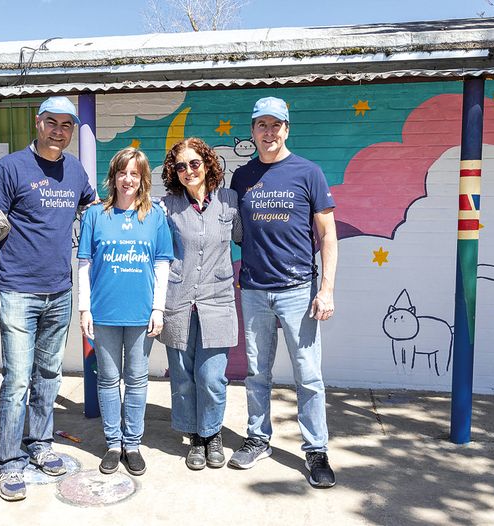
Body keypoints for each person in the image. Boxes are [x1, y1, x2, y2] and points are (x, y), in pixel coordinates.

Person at [0, 96, 96, 502]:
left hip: (59, 291)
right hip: (16, 292)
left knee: (49, 376)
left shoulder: (75, 170)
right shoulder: (10, 168)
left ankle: (40, 444)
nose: (59, 130)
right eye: (52, 122)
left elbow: (92, 211)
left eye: (66, 124)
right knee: (17, 379)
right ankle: (9, 460)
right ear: (38, 122)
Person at [229, 96, 338, 488]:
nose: (269, 132)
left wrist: (326, 288)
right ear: (253, 130)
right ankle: (259, 439)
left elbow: (327, 234)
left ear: (287, 129)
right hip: (255, 289)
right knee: (257, 372)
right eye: (262, 125)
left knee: (308, 376)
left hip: (298, 290)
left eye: (276, 125)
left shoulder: (308, 172)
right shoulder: (241, 178)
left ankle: (316, 451)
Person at [77, 147, 173, 476]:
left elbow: (162, 265)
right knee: (107, 379)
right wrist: (84, 308)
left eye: (134, 173)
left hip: (140, 313)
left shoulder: (155, 216)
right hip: (103, 313)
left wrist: (158, 308)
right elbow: (85, 265)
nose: (127, 179)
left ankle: (132, 444)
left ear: (143, 179)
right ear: (113, 177)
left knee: (136, 380)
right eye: (122, 172)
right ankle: (112, 444)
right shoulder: (95, 215)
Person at [157, 138, 241, 470]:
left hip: (217, 301)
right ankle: (194, 435)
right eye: (181, 166)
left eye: (195, 163)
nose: (189, 170)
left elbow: (245, 238)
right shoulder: (167, 206)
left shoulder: (229, 201)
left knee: (211, 377)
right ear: (173, 172)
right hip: (177, 301)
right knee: (182, 375)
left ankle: (212, 432)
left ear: (207, 164)